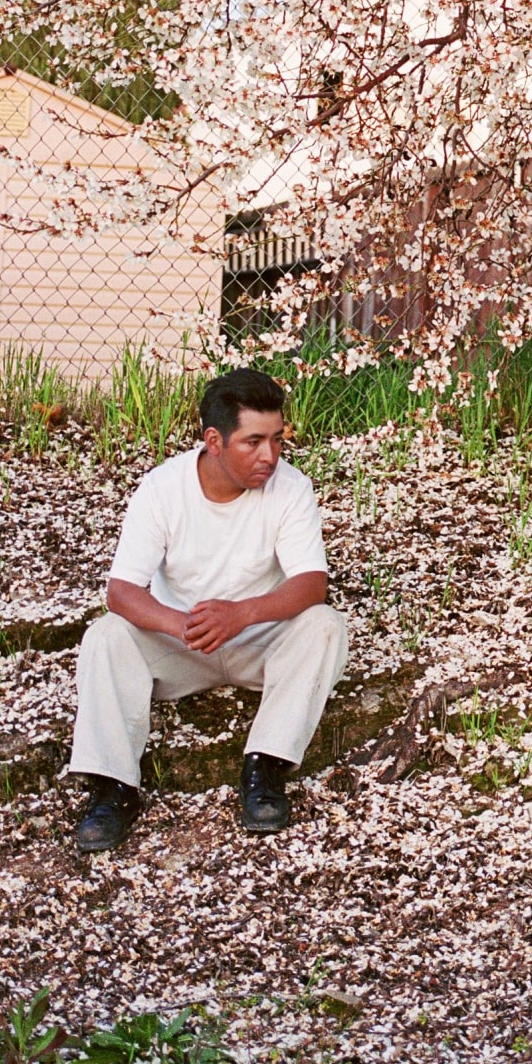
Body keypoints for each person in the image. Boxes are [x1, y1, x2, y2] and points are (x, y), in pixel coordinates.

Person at [66, 364, 349, 853]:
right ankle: (112, 789)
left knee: (325, 626)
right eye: (253, 442)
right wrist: (181, 624)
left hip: (258, 641)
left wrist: (239, 615)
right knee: (106, 636)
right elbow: (122, 592)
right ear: (214, 441)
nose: (270, 456)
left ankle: (265, 767)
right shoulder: (162, 488)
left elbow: (310, 585)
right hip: (182, 644)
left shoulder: (292, 487)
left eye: (277, 440)